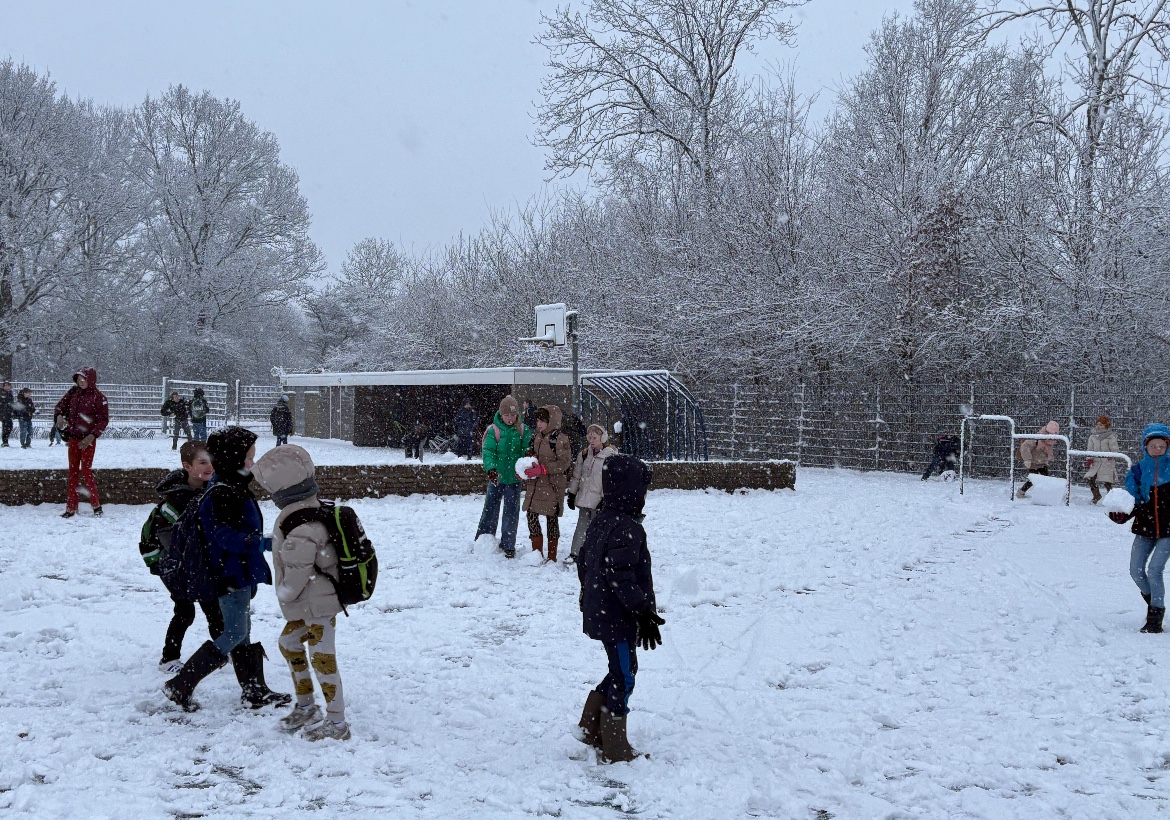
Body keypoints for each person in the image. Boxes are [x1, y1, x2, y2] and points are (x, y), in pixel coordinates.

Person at [163, 426, 291, 712]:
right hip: (228, 573)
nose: (252, 464)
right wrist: (261, 543)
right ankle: (180, 684)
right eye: (248, 458)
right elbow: (222, 536)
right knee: (234, 632)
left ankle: (254, 691)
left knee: (242, 631)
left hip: (236, 572)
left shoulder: (230, 486)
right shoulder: (224, 492)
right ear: (234, 458)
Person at [253, 444, 351, 741]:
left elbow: (297, 572)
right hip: (312, 605)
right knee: (288, 642)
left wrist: (284, 592)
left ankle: (337, 723)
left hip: (317, 606)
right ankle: (306, 705)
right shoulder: (306, 512)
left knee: (323, 660)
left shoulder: (301, 524)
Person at [575, 454, 664, 763]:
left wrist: (588, 596)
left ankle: (590, 726)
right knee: (625, 675)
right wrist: (642, 611)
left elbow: (584, 562)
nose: (644, 497)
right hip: (617, 616)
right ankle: (615, 746)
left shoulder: (602, 519)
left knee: (621, 669)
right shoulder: (627, 528)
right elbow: (621, 575)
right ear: (631, 492)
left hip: (603, 611)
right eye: (642, 490)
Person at [141, 441, 225, 672]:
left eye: (211, 461)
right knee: (184, 613)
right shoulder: (172, 505)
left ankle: (221, 652)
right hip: (180, 571)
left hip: (206, 568)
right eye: (202, 462)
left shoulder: (215, 493)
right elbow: (153, 538)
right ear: (187, 466)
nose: (210, 466)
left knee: (215, 612)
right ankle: (169, 657)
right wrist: (161, 565)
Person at [1111, 424, 1170, 634]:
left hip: (1168, 531)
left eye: (1161, 446)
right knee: (1136, 572)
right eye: (1153, 446)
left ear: (1167, 446)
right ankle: (1153, 599)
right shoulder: (1136, 471)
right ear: (1145, 447)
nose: (1157, 449)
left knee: (1155, 570)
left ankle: (1155, 617)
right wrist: (1120, 514)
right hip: (1145, 528)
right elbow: (1131, 501)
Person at [474, 395, 532, 558]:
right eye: (507, 415)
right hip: (497, 478)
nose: (510, 418)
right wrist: (491, 469)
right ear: (501, 414)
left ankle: (508, 544)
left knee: (511, 512)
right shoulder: (493, 430)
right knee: (490, 509)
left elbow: (526, 448)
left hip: (514, 479)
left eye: (513, 415)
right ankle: (485, 539)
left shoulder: (522, 429)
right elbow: (488, 452)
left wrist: (527, 453)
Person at [53, 368, 109, 518]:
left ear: (90, 379)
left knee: (86, 472)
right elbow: (60, 406)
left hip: (88, 440)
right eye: (78, 379)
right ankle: (71, 507)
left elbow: (103, 420)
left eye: (83, 378)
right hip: (73, 438)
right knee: (72, 472)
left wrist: (92, 436)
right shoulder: (73, 392)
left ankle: (96, 506)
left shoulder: (99, 397)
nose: (80, 381)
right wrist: (59, 415)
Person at [522, 405, 572, 562]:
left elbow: (564, 463)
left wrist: (544, 469)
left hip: (552, 485)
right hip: (536, 485)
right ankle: (536, 553)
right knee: (531, 515)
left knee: (551, 518)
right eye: (538, 420)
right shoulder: (538, 436)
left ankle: (552, 555)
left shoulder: (560, 438)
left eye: (543, 421)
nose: (539, 424)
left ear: (552, 421)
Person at [566, 424, 618, 565]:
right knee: (581, 526)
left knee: (598, 529)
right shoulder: (584, 454)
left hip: (599, 499)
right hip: (585, 498)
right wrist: (572, 493)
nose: (592, 440)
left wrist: (604, 497)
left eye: (595, 437)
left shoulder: (610, 456)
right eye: (590, 437)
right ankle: (575, 553)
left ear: (603, 438)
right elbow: (577, 475)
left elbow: (609, 480)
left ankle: (596, 555)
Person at [1016, 420, 1060, 499]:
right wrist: (1027, 459)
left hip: (1042, 462)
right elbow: (1024, 446)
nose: (1053, 438)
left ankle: (1044, 495)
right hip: (1033, 462)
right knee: (1033, 479)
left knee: (1045, 479)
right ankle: (1021, 492)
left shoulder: (1049, 440)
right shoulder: (1037, 438)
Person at [1084, 416, 1120, 504]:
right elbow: (1090, 449)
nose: (1098, 426)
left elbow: (1115, 449)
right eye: (1097, 424)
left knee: (1108, 481)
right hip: (1096, 462)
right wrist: (1089, 458)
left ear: (1106, 425)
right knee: (1090, 478)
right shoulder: (1092, 437)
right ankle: (1096, 495)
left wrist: (1112, 455)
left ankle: (1111, 500)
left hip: (1106, 462)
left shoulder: (1111, 437)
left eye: (1101, 425)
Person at [0, 380, 13, 447]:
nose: (7, 387)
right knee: (5, 427)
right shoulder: (1, 393)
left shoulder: (10, 393)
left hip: (9, 413)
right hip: (3, 413)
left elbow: (11, 403)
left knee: (10, 427)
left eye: (8, 386)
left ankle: (5, 440)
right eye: (6, 386)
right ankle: (5, 442)